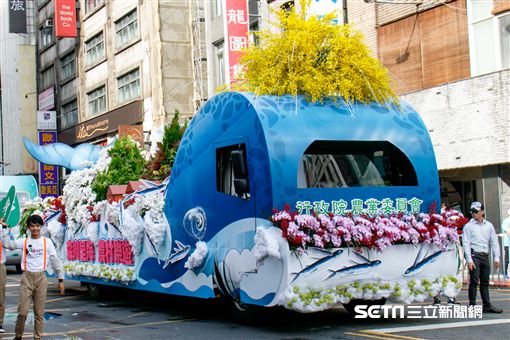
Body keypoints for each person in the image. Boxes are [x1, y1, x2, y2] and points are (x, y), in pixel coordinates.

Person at [0, 214, 65, 340]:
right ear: (29, 227)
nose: (35, 228)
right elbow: (8, 244)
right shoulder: (24, 241)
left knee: (39, 313)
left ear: (41, 227)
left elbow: (55, 260)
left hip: (41, 279)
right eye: (32, 226)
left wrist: (60, 279)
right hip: (27, 278)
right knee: (22, 312)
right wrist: (3, 229)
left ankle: (37, 337)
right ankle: (18, 336)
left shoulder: (47, 242)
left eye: (37, 226)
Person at [462, 201, 502, 313]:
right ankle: (473, 305)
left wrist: (496, 258)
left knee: (485, 281)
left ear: (482, 212)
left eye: (476, 211)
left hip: (485, 255)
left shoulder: (489, 226)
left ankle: (487, 305)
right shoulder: (468, 226)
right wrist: (469, 260)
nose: (474, 214)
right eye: (472, 212)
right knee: (474, 281)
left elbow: (494, 242)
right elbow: (466, 243)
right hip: (474, 255)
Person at [502, 209, 510, 280]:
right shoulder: (506, 221)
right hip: (508, 244)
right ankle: (505, 273)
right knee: (507, 259)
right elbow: (507, 231)